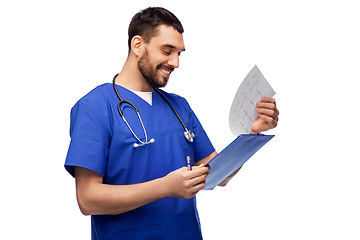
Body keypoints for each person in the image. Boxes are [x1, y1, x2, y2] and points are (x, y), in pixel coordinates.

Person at [65, 7, 279, 240]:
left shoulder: (179, 107)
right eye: (167, 51)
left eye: (179, 53)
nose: (175, 62)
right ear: (138, 45)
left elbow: (220, 175)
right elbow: (87, 200)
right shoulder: (94, 107)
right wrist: (165, 187)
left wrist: (252, 134)